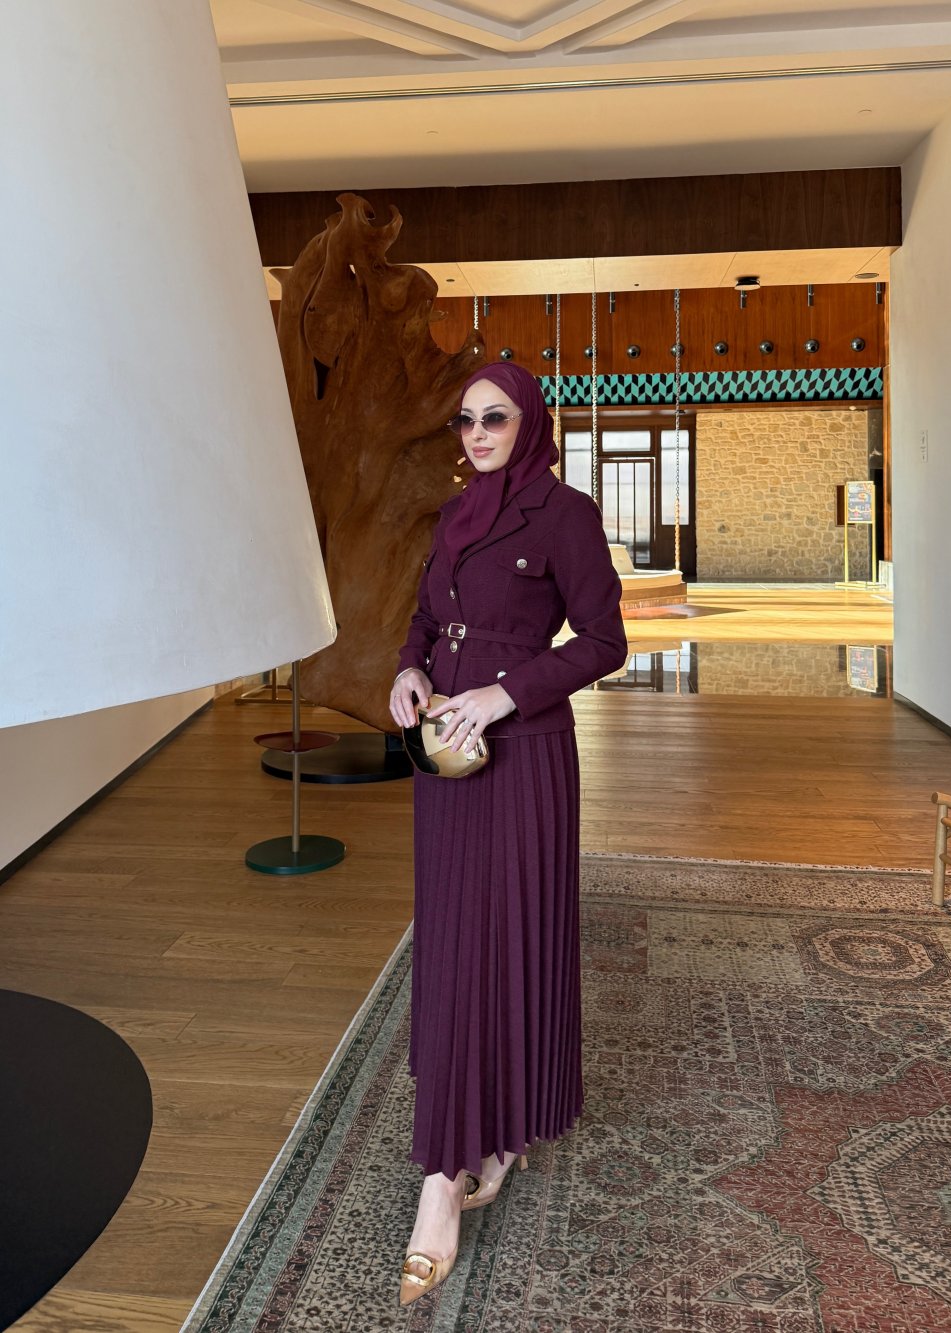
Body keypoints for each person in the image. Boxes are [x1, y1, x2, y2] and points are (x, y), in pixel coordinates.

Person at [388, 361, 627, 1305]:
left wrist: (503, 693)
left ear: (529, 422)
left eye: (495, 417)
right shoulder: (455, 514)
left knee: (505, 939)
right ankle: (470, 1138)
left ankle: (443, 1181)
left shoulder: (565, 513)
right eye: (465, 420)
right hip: (445, 757)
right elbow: (423, 618)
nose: (477, 433)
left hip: (523, 757)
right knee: (454, 947)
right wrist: (409, 670)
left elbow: (605, 640)